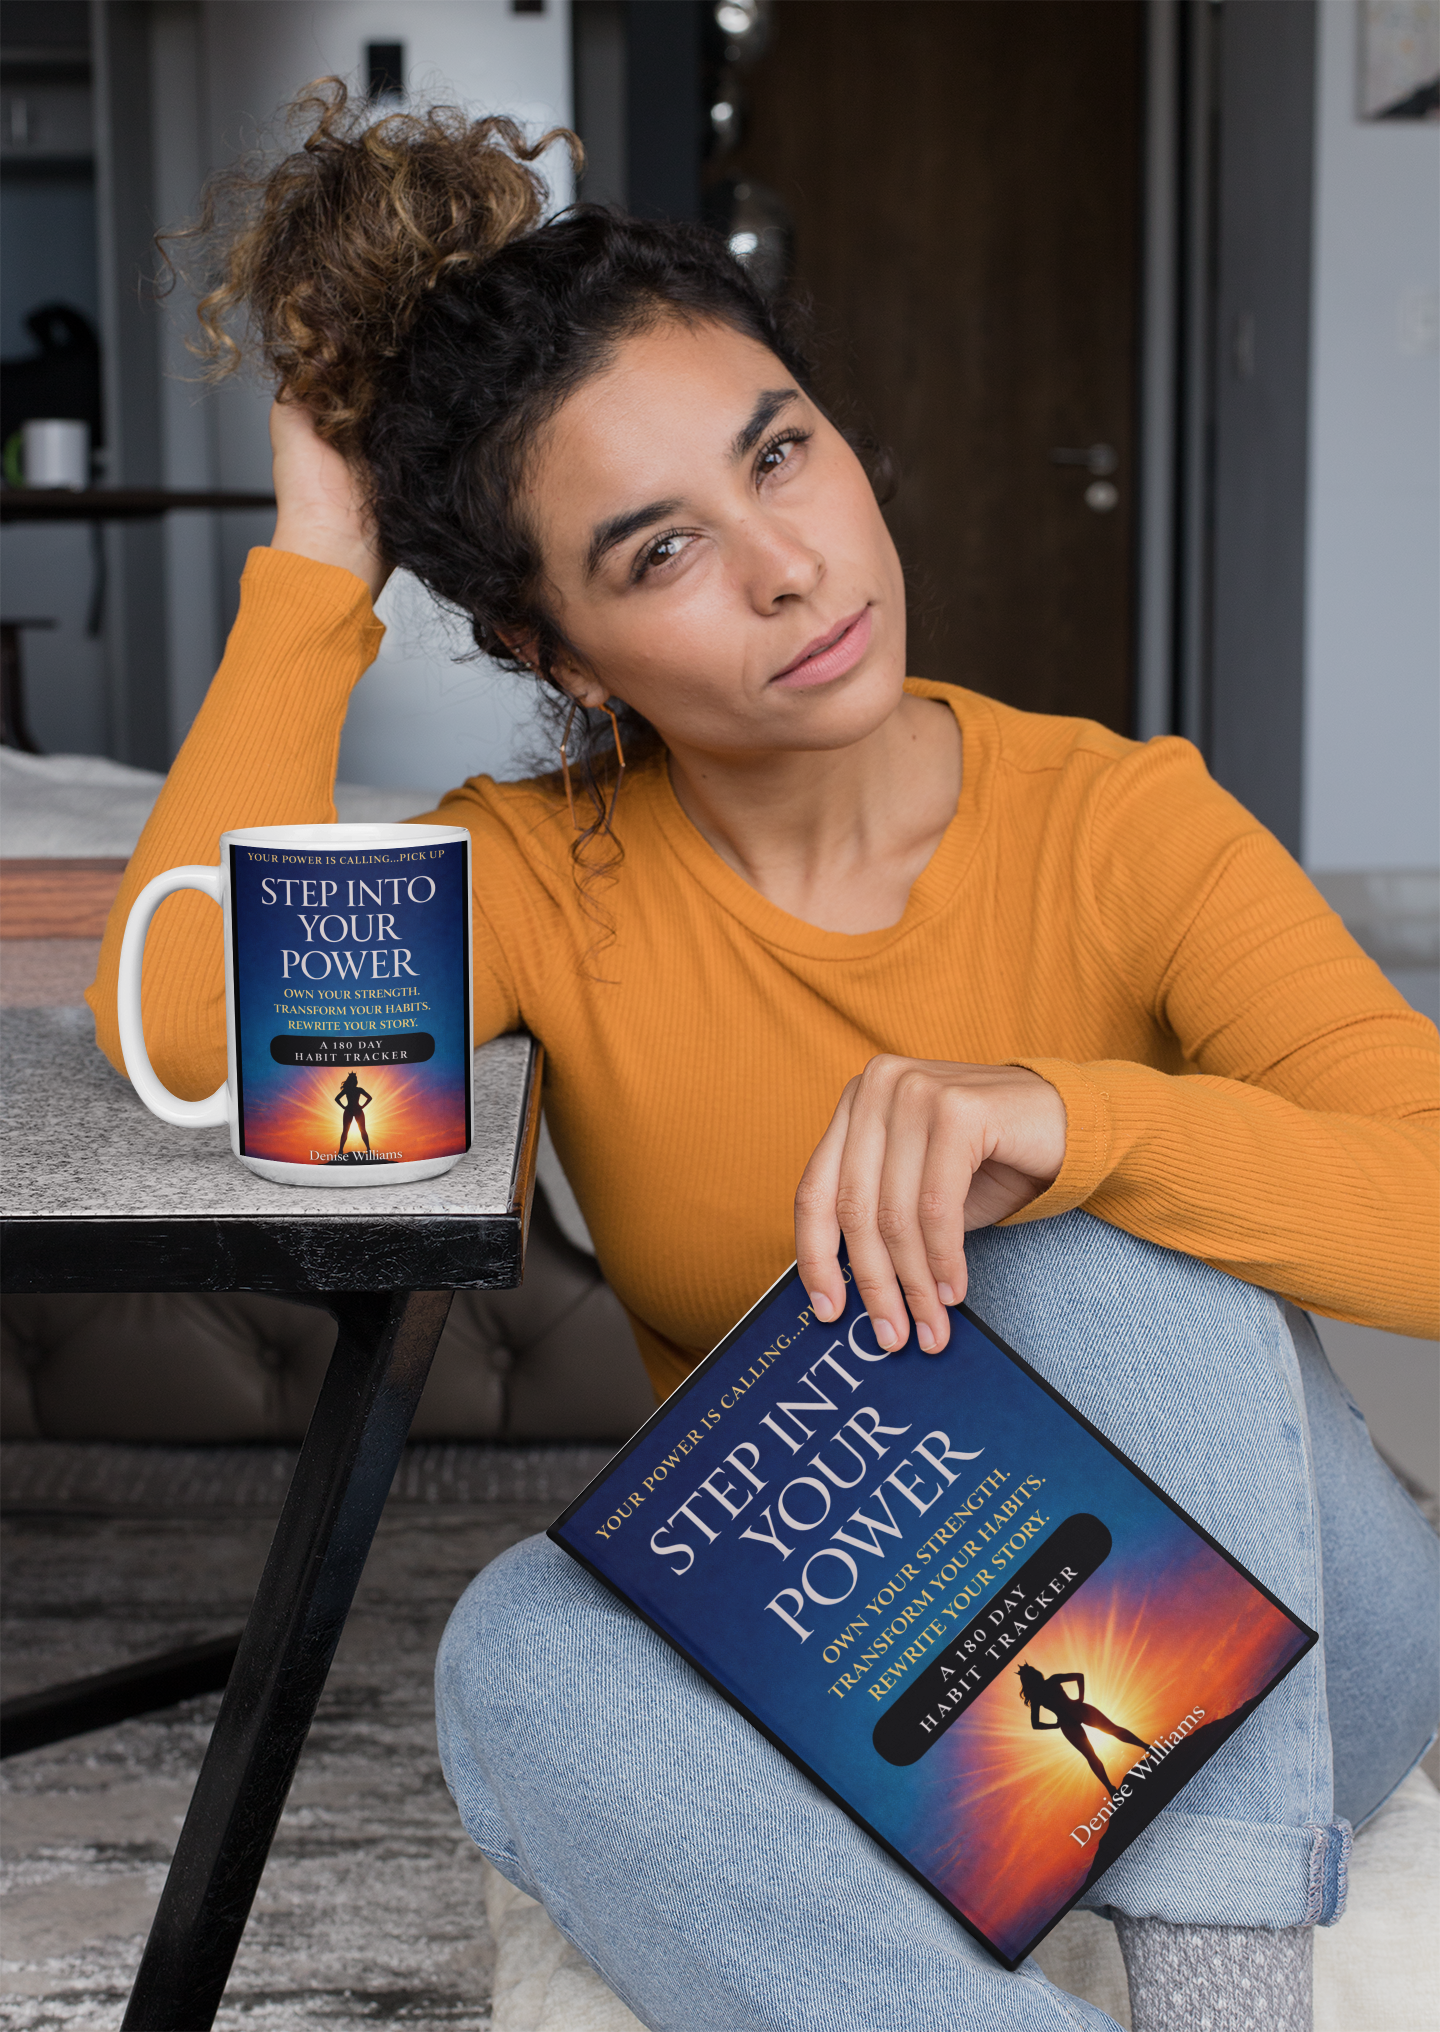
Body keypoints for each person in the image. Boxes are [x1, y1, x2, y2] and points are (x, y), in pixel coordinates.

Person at [90, 87, 1437, 2032]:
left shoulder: (1127, 822)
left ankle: (1232, 1995)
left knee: (1057, 1241)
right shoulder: (549, 876)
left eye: (781, 454)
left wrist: (1069, 1121)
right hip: (864, 1666)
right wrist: (319, 563)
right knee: (515, 1656)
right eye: (657, 553)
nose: (790, 567)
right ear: (559, 652)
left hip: (1273, 1653)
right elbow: (193, 1031)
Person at [1017, 1663, 1148, 1796]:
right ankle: (1145, 1749)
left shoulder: (1038, 1695)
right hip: (1076, 1714)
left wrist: (1058, 1722)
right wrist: (1079, 1699)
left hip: (1071, 1719)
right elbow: (1079, 1677)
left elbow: (1036, 1724)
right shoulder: (1049, 1684)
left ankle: (1111, 1789)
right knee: (1107, 1737)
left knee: (1096, 1750)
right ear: (1036, 1675)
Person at [334, 1069, 372, 1155]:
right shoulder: (357, 1089)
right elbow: (369, 1098)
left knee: (350, 1131)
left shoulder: (349, 1090)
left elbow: (337, 1099)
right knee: (352, 1131)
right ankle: (341, 1151)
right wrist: (362, 1106)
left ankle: (341, 1151)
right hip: (355, 1110)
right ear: (354, 1081)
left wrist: (344, 1107)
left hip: (351, 1110)